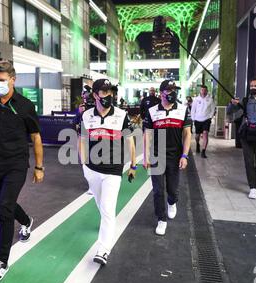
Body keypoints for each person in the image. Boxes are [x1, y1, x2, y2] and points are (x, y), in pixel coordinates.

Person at [0, 61, 44, 283]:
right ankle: (26, 221)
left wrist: (39, 166)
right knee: (8, 204)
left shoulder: (25, 105)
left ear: (13, 79)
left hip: (16, 165)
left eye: (2, 80)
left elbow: (35, 137)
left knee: (4, 208)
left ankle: (1, 261)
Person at [78, 78, 137, 266]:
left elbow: (129, 141)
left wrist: (133, 165)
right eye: (104, 93)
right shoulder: (87, 115)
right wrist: (84, 164)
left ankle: (103, 249)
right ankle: (106, 225)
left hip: (113, 169)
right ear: (95, 95)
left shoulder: (122, 114)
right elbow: (82, 139)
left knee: (108, 208)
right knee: (100, 205)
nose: (108, 96)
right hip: (92, 169)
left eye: (110, 92)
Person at [143, 79, 192, 236]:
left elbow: (187, 134)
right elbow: (147, 135)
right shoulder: (152, 111)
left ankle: (172, 202)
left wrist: (185, 155)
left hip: (175, 155)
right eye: (169, 90)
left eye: (174, 90)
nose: (173, 93)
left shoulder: (183, 110)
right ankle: (161, 219)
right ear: (161, 93)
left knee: (172, 189)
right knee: (158, 190)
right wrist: (145, 156)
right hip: (157, 155)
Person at [190, 85, 216, 158]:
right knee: (197, 135)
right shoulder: (196, 99)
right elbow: (193, 110)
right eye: (202, 90)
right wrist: (193, 118)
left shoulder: (210, 99)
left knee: (205, 133)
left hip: (206, 120)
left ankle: (203, 151)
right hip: (197, 120)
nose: (203, 92)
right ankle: (197, 143)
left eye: (205, 90)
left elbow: (213, 109)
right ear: (200, 91)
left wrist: (210, 117)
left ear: (207, 91)